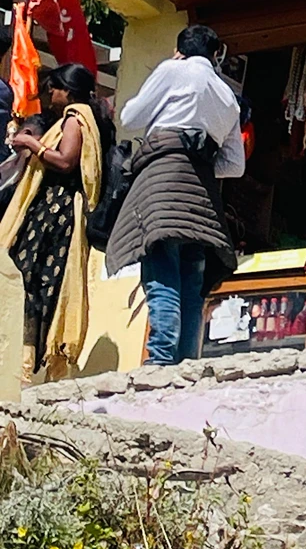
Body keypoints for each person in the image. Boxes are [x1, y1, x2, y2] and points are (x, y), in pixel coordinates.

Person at [108, 24, 244, 366]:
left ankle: (160, 359)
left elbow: (130, 117)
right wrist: (198, 160)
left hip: (161, 183)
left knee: (162, 271)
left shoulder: (173, 70)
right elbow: (234, 165)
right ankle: (186, 362)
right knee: (191, 280)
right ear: (216, 55)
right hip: (202, 197)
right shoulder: (227, 96)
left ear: (179, 50)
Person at [0, 63, 110, 384]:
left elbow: (65, 161)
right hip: (51, 213)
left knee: (32, 281)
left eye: (54, 87)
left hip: (55, 215)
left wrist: (33, 145)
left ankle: (23, 364)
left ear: (69, 91)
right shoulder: (80, 118)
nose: (50, 92)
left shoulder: (75, 118)